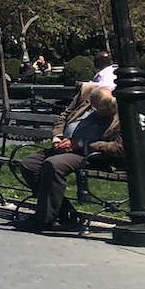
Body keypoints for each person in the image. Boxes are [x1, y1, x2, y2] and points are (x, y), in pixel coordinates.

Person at [14, 83, 121, 230]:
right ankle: (66, 213)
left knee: (53, 165)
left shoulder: (120, 113)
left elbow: (118, 148)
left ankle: (43, 220)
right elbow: (62, 117)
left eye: (101, 110)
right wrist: (57, 136)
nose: (96, 111)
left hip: (89, 155)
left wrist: (82, 144)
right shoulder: (87, 97)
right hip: (66, 145)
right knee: (29, 164)